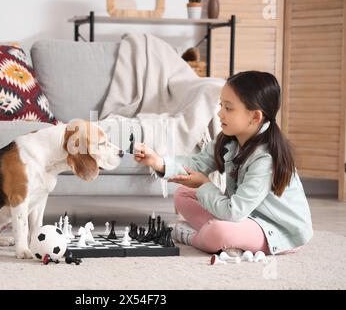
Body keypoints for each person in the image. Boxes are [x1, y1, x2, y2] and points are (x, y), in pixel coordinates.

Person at [134, 71, 313, 255]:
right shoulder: (229, 139)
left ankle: (195, 236)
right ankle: (224, 237)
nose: (219, 113)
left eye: (228, 108)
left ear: (255, 117)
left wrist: (205, 185)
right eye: (221, 105)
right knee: (183, 194)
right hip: (243, 216)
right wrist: (158, 162)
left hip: (274, 228)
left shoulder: (266, 159)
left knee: (217, 232)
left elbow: (234, 212)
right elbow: (196, 164)